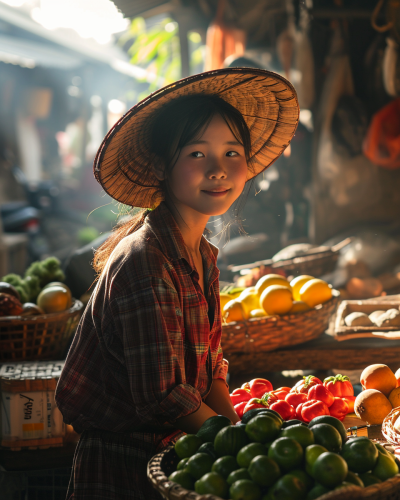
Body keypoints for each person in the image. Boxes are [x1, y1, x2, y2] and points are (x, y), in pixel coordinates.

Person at [55, 68, 299, 500]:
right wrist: (238, 445)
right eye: (197, 155)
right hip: (123, 464)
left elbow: (211, 372)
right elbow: (162, 395)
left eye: (232, 153)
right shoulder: (146, 261)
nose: (219, 170)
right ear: (163, 167)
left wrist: (241, 438)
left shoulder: (202, 255)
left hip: (178, 453)